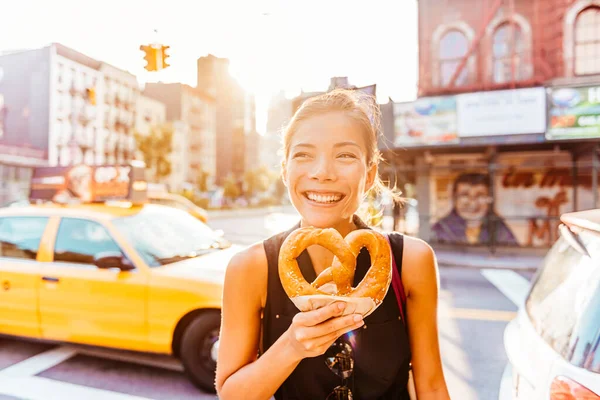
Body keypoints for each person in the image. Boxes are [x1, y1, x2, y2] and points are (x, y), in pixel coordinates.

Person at [216, 90, 451, 400]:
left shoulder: (409, 261)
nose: (322, 172)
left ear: (369, 174)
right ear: (285, 170)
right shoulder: (251, 267)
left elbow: (431, 387)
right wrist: (292, 346)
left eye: (344, 155)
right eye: (304, 154)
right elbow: (231, 395)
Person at [431, 173, 518, 246]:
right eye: (464, 194)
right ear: (454, 198)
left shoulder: (500, 229)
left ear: (489, 199)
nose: (472, 202)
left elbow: (514, 258)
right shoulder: (439, 229)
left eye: (480, 195)